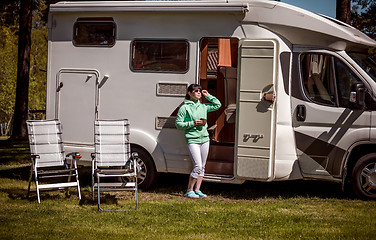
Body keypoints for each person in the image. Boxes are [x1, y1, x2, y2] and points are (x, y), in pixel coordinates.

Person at [175, 84, 221, 198]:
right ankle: (189, 190)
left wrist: (208, 95)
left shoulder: (203, 106)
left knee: (203, 166)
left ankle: (197, 189)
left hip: (205, 139)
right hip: (192, 140)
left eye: (200, 90)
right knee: (198, 166)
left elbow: (217, 105)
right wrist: (193, 123)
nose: (199, 92)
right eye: (196, 90)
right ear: (189, 93)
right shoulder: (184, 108)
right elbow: (178, 124)